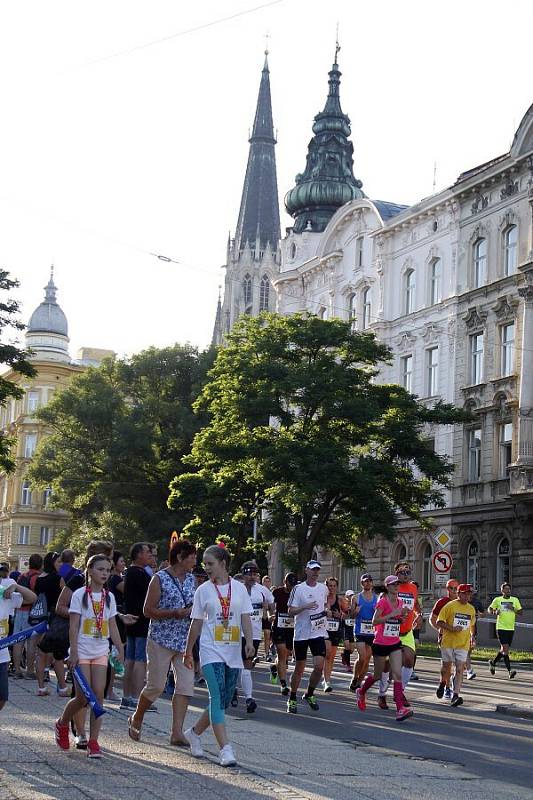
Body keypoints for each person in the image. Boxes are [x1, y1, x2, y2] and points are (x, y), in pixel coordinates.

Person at [184, 544, 254, 768]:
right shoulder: (203, 590)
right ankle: (226, 749)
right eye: (205, 564)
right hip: (210, 649)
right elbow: (196, 623)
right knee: (216, 697)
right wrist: (188, 651)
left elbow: (245, 618)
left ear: (223, 564)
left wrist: (250, 643)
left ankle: (194, 733)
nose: (207, 568)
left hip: (232, 651)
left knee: (222, 701)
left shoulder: (240, 589)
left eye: (210, 564)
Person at [127, 539, 196, 745]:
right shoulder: (159, 578)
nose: (194, 561)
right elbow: (147, 610)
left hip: (184, 641)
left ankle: (176, 732)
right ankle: (137, 716)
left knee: (185, 686)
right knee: (156, 686)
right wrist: (174, 613)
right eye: (191, 556)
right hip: (161, 639)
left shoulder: (192, 580)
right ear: (180, 557)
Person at [54, 555, 124, 757]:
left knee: (98, 695)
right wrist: (73, 652)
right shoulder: (78, 595)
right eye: (101, 569)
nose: (105, 573)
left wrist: (119, 647)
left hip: (101, 650)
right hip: (82, 650)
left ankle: (94, 741)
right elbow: (74, 625)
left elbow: (112, 624)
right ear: (90, 570)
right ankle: (62, 723)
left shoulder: (108, 597)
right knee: (84, 696)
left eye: (108, 570)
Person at [356, 575, 413, 722]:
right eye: (393, 584)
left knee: (397, 675)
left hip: (394, 642)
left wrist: (401, 618)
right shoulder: (382, 602)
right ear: (387, 587)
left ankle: (400, 708)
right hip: (380, 643)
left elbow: (397, 621)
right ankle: (361, 691)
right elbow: (374, 622)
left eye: (398, 584)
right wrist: (392, 615)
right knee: (377, 675)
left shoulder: (400, 602)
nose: (396, 586)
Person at [286, 560, 328, 714]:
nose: (315, 572)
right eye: (312, 570)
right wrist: (304, 607)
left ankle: (309, 693)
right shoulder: (298, 589)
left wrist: (327, 611)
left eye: (317, 570)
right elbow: (290, 611)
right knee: (299, 668)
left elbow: (324, 606)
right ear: (306, 571)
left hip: (317, 632)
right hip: (302, 633)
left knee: (319, 666)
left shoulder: (323, 588)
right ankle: (292, 697)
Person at [378, 561, 422, 706]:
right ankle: (382, 694)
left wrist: (418, 615)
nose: (406, 575)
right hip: (391, 631)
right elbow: (380, 607)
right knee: (386, 665)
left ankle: (399, 693)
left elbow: (415, 605)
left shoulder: (413, 588)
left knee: (409, 661)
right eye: (402, 572)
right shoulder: (391, 588)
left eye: (408, 572)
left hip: (407, 631)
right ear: (396, 574)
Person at [235, 561, 274, 712]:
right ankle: (238, 693)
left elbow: (272, 605)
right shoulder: (235, 589)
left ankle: (249, 698)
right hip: (236, 632)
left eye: (254, 574)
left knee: (247, 664)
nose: (252, 577)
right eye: (249, 573)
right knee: (236, 664)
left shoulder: (262, 590)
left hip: (254, 634)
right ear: (243, 574)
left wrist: (268, 608)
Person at [0, 563, 37, 711]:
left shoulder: (6, 597)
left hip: (2, 656)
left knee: (2, 697)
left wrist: (16, 587)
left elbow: (32, 598)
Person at [121, 542, 152, 710]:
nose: (150, 555)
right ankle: (136, 698)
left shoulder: (132, 572)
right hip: (140, 621)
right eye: (147, 552)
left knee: (131, 659)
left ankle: (127, 697)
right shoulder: (138, 573)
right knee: (139, 660)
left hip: (132, 621)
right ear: (138, 554)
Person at [35, 551, 69, 697]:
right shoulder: (58, 578)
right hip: (56, 619)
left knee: (41, 652)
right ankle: (62, 688)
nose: (61, 564)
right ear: (53, 563)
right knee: (58, 654)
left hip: (41, 616)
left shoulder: (39, 578)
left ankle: (41, 687)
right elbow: (66, 596)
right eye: (59, 562)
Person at [436, 583, 476, 707]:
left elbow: (471, 625)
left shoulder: (471, 609)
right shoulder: (450, 606)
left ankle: (455, 695)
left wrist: (472, 637)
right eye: (465, 593)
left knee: (459, 669)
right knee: (446, 669)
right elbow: (439, 622)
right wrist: (452, 628)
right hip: (448, 643)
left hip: (462, 644)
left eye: (469, 594)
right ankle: (443, 683)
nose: (468, 596)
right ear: (459, 594)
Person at [12, 553, 43, 679]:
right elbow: (37, 597)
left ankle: (17, 670)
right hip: (31, 613)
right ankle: (30, 671)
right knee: (31, 643)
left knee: (17, 641)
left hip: (19, 610)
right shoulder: (37, 577)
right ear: (40, 564)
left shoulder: (21, 576)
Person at [430, 578, 459, 699]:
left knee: (459, 665)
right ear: (447, 589)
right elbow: (432, 619)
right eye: (451, 588)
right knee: (447, 664)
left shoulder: (463, 603)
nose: (453, 591)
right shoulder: (442, 602)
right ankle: (446, 686)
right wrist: (440, 629)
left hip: (460, 639)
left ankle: (452, 684)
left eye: (456, 588)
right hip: (445, 638)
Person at [270, 572, 298, 694]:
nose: (291, 587)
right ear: (284, 582)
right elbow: (270, 607)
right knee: (282, 654)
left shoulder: (297, 594)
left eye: (293, 585)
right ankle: (283, 684)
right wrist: (270, 615)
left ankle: (274, 667)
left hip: (291, 628)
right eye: (289, 584)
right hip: (278, 626)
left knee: (286, 654)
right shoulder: (277, 592)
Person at [349, 574, 377, 692]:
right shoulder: (356, 598)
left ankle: (359, 682)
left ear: (372, 583)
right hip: (360, 630)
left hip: (371, 632)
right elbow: (351, 615)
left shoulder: (377, 598)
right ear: (362, 583)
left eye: (370, 581)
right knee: (362, 656)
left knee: (367, 659)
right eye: (365, 581)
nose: (368, 583)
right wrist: (355, 611)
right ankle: (355, 677)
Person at [488, 583, 523, 679]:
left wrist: (514, 609)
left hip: (510, 628)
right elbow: (489, 609)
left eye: (509, 589)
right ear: (502, 591)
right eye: (506, 589)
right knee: (506, 649)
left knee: (503, 649)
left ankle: (493, 663)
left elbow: (521, 612)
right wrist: (495, 612)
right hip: (500, 628)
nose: (508, 591)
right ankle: (510, 671)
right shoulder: (498, 600)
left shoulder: (515, 600)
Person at [106, 551, 126, 701]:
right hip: (117, 618)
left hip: (117, 616)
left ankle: (109, 688)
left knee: (112, 656)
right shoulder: (116, 579)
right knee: (113, 656)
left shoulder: (112, 578)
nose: (124, 563)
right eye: (121, 561)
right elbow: (129, 591)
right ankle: (109, 689)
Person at [323, 576, 342, 692]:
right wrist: (325, 611)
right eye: (330, 586)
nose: (332, 588)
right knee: (328, 653)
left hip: (335, 630)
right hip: (324, 630)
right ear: (326, 586)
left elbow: (347, 614)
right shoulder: (322, 598)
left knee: (331, 657)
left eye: (334, 586)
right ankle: (326, 681)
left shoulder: (340, 600)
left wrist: (340, 615)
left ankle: (327, 679)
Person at [465, 588, 484, 680]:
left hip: (473, 627)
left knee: (469, 650)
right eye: (469, 592)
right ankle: (469, 670)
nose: (470, 595)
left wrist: (479, 615)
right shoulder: (460, 602)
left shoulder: (477, 602)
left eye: (472, 593)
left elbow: (483, 613)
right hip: (461, 629)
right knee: (465, 651)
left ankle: (465, 665)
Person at [340, 589, 355, 672]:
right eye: (349, 596)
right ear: (346, 596)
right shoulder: (343, 603)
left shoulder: (355, 604)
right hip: (344, 627)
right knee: (347, 646)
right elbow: (342, 613)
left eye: (352, 595)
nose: (351, 597)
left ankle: (344, 655)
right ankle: (348, 665)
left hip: (352, 628)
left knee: (351, 650)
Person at [261, 575, 274, 660]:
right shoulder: (259, 591)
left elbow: (272, 606)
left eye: (268, 581)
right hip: (258, 616)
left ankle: (266, 653)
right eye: (265, 581)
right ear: (262, 583)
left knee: (267, 634)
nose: (267, 583)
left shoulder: (272, 593)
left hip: (268, 616)